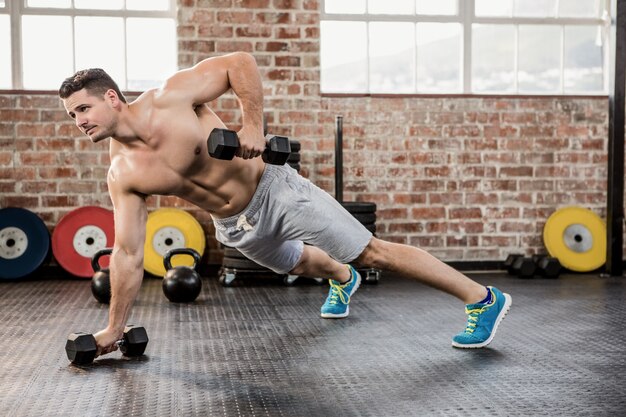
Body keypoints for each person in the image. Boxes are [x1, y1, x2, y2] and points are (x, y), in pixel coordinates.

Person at [59, 52, 512, 357]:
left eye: (83, 109)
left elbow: (240, 63)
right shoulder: (123, 173)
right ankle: (341, 277)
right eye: (72, 116)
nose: (78, 122)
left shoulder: (172, 97)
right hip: (234, 225)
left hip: (277, 191)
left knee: (371, 250)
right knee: (295, 262)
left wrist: (253, 125)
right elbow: (128, 254)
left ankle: (482, 298)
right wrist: (114, 329)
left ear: (112, 98)